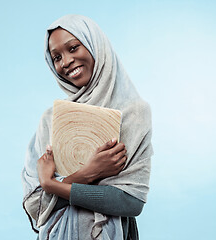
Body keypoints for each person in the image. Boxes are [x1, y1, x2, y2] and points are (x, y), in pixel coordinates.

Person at [22, 14, 153, 240]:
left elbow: (130, 201)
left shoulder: (133, 113)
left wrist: (52, 185)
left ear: (95, 45)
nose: (65, 62)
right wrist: (87, 173)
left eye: (73, 48)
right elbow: (36, 206)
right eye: (56, 57)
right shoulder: (50, 119)